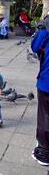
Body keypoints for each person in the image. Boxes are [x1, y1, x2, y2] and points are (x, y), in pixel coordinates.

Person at [31, 16, 49, 166]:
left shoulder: (46, 31)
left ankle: (44, 153)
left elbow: (35, 46)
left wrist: (42, 29)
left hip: (47, 82)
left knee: (45, 116)